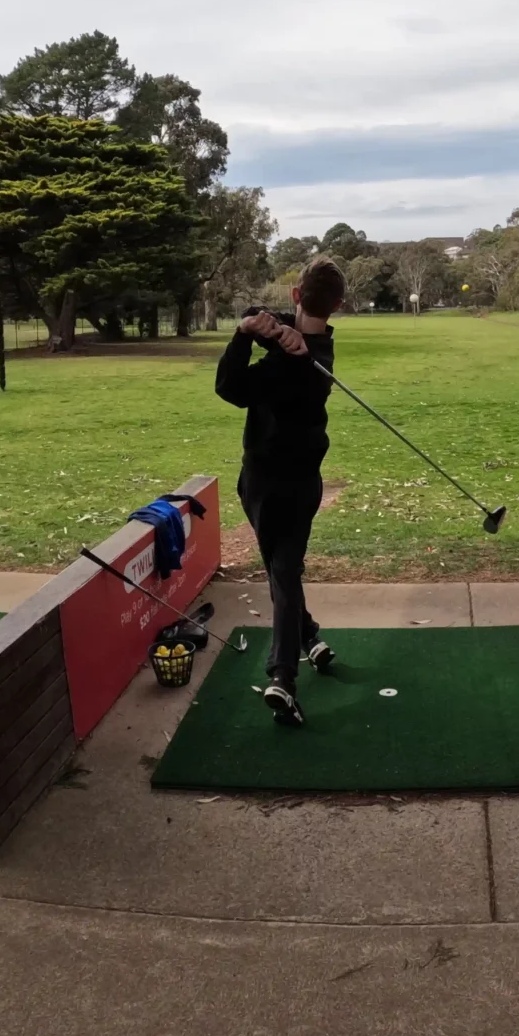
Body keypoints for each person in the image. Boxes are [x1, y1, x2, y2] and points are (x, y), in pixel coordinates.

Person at [215, 258, 346, 725]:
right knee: (280, 568)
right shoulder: (320, 345)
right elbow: (258, 311)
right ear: (339, 305)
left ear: (295, 293)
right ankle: (310, 635)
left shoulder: (305, 366)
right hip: (285, 484)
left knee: (284, 573)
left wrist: (245, 335)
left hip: (273, 485)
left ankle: (282, 678)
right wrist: (265, 326)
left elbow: (229, 387)